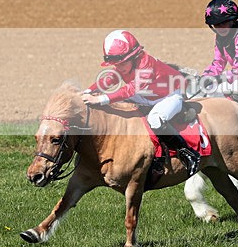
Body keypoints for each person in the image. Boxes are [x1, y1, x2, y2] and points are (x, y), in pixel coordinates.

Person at [82, 29, 200, 175]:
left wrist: (99, 99)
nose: (118, 67)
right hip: (148, 95)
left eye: (122, 63)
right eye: (116, 64)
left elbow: (129, 90)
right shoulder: (126, 64)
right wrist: (88, 91)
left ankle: (188, 154)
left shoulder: (146, 65)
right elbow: (110, 78)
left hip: (170, 95)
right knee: (116, 103)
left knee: (155, 120)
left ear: (134, 56)